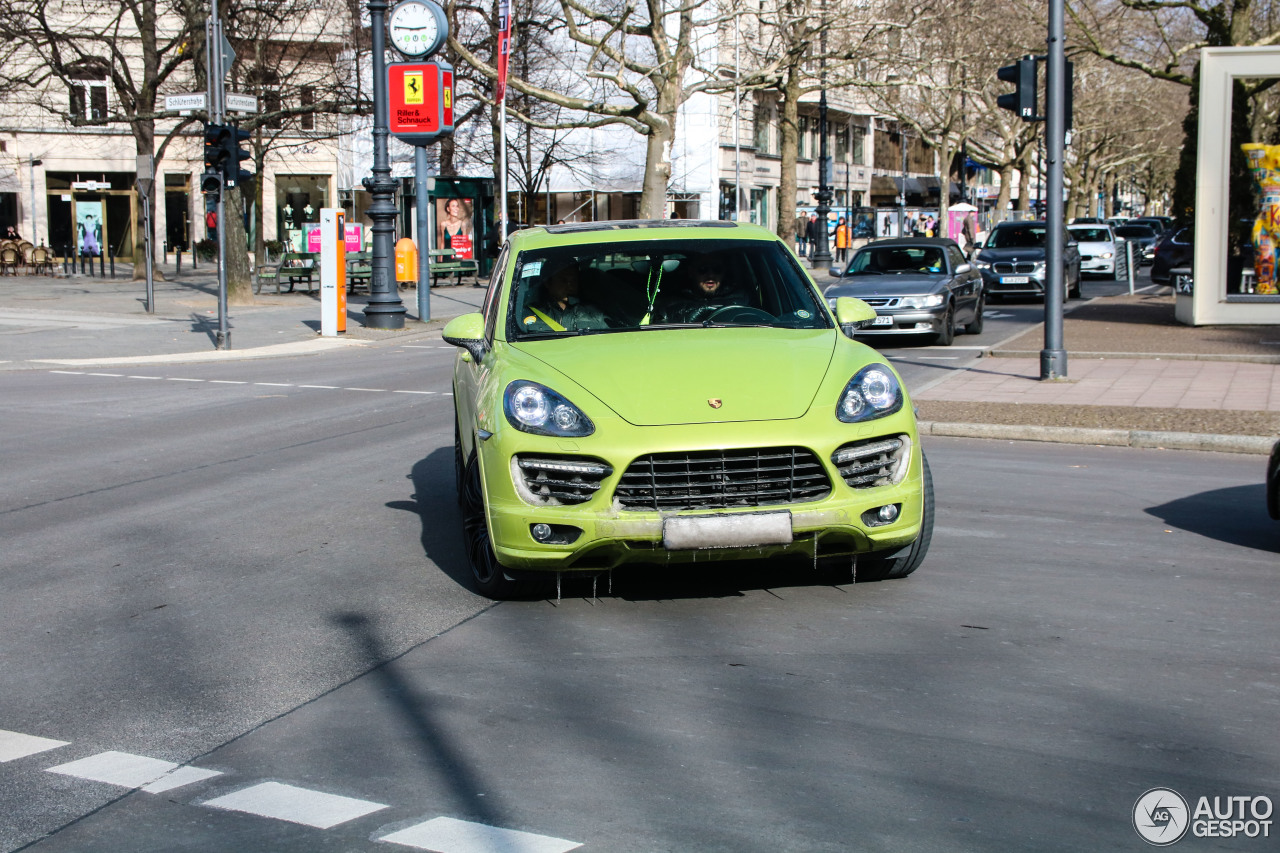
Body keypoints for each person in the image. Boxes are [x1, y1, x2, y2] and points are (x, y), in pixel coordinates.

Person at [520, 259, 610, 332]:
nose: (569, 285)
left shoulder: (595, 313)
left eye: (573, 280)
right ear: (548, 283)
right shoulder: (529, 313)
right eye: (563, 280)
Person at [655, 254, 744, 323]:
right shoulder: (670, 307)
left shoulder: (743, 301)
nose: (711, 275)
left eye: (717, 269)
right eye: (703, 269)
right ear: (691, 272)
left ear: (724, 273)